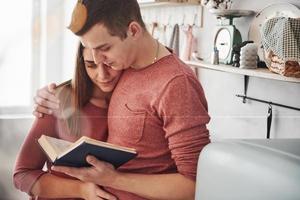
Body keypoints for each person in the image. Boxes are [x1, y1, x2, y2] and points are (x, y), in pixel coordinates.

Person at [34, 0, 211, 199]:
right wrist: (50, 94)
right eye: (89, 48)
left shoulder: (177, 83)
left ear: (133, 31)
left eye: (104, 48)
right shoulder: (124, 66)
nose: (98, 60)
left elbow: (195, 186)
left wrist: (113, 179)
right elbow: (86, 86)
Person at [13, 43, 121, 200]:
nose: (102, 75)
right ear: (81, 63)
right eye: (91, 65)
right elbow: (22, 175)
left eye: (110, 64)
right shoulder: (56, 101)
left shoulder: (134, 100)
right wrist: (81, 190)